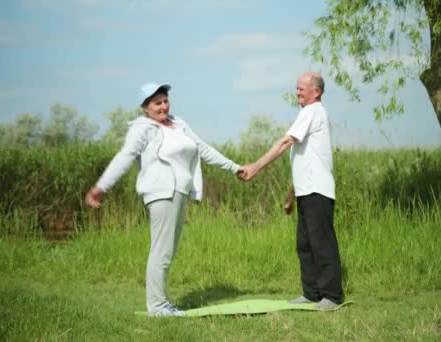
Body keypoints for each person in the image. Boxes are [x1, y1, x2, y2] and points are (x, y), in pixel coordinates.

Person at [85, 82, 241, 317]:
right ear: (145, 107)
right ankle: (157, 307)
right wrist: (101, 186)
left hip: (178, 190)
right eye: (157, 103)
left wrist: (234, 167)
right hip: (161, 190)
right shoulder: (142, 128)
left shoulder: (179, 124)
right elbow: (125, 156)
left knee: (168, 249)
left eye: (165, 100)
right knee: (162, 250)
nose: (163, 106)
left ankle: (161, 302)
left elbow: (203, 148)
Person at [239, 72, 344, 310]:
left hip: (318, 192)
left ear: (316, 92)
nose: (297, 92)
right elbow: (305, 161)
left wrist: (255, 167)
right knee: (305, 244)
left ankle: (332, 296)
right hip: (306, 192)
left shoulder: (313, 112)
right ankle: (311, 293)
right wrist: (291, 197)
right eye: (296, 88)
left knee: (322, 244)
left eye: (301, 89)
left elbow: (286, 142)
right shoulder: (308, 114)